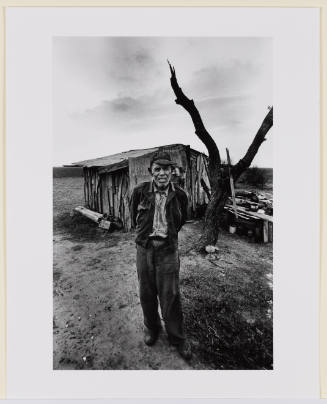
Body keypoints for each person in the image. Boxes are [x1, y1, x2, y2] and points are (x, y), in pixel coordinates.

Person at [129, 151, 192, 360]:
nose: (162, 173)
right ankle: (152, 328)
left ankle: (177, 337)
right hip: (144, 249)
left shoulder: (181, 195)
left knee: (171, 295)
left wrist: (167, 237)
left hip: (168, 250)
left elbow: (181, 220)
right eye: (158, 169)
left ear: (172, 171)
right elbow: (133, 217)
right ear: (151, 172)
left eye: (166, 169)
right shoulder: (139, 191)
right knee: (146, 293)